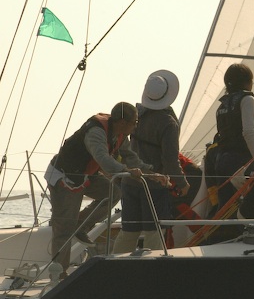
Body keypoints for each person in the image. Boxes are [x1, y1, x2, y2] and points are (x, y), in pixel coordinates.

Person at [45, 102, 165, 276]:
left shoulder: (120, 134)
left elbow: (130, 157)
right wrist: (127, 171)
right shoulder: (96, 132)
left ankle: (81, 224)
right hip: (64, 177)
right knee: (64, 228)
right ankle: (58, 275)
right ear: (123, 122)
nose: (136, 126)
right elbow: (103, 159)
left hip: (85, 175)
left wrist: (151, 173)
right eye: (135, 122)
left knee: (113, 193)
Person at [113, 70, 189, 253]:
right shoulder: (168, 123)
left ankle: (115, 262)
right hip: (154, 185)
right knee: (154, 232)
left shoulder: (135, 115)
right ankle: (152, 265)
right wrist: (182, 183)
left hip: (130, 181)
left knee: (128, 231)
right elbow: (170, 160)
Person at [214, 63, 254, 209]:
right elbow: (249, 132)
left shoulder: (222, 104)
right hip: (241, 162)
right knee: (245, 207)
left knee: (225, 207)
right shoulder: (247, 99)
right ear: (247, 82)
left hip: (221, 160)